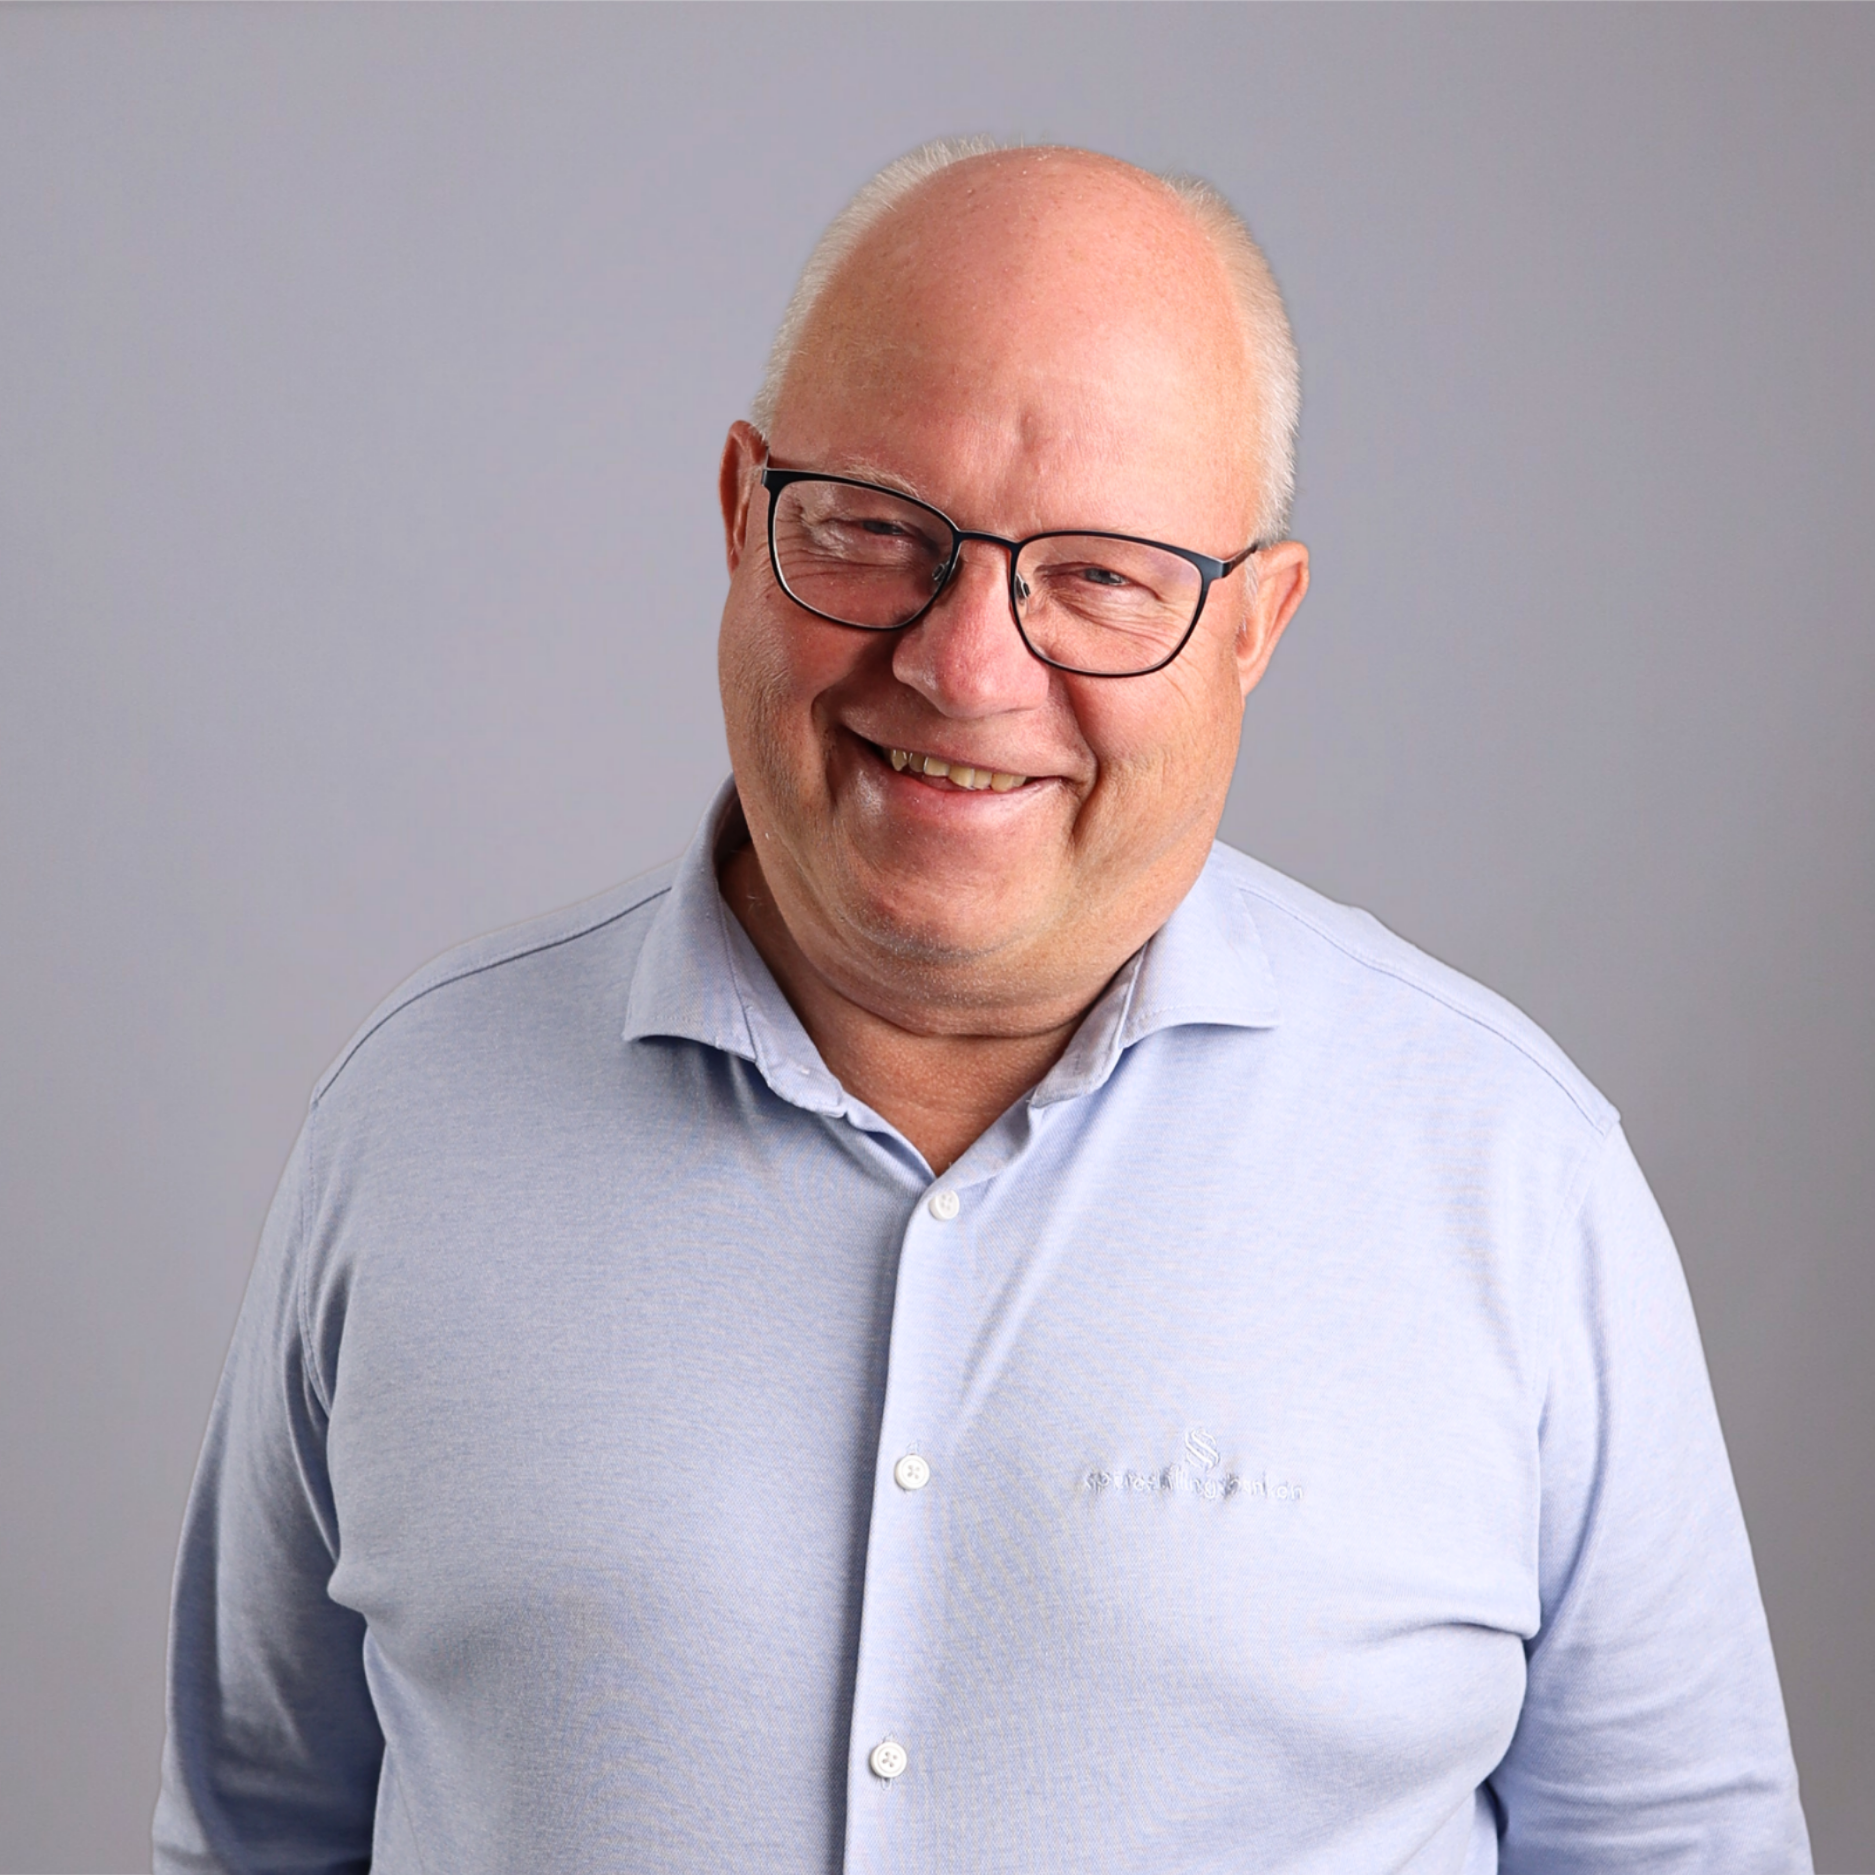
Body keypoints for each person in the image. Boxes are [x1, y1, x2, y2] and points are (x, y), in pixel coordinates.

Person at [155, 140, 1812, 1874]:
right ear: (741, 512)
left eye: (1098, 575)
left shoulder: (1512, 1178)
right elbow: (254, 1835)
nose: (961, 664)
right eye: (876, 531)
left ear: (1253, 625)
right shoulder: (415, 1123)